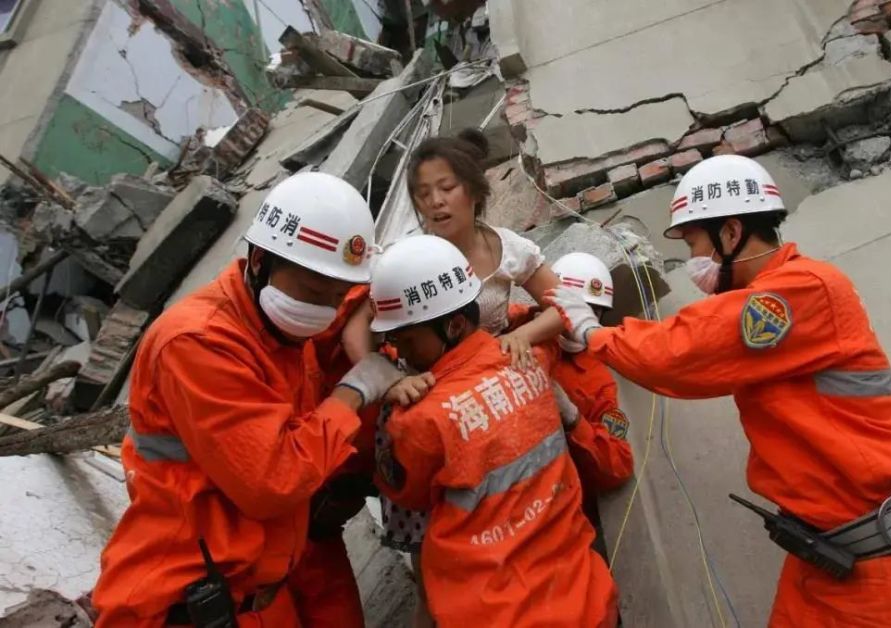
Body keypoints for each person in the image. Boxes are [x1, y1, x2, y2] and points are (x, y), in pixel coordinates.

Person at [546, 154, 891, 626]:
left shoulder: (802, 288)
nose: (693, 260)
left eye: (695, 241)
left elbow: (678, 352)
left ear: (730, 233)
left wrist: (591, 331)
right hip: (826, 563)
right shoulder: (783, 293)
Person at [92, 172, 406, 627]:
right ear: (259, 260)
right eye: (315, 294)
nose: (324, 311)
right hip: (186, 605)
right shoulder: (197, 343)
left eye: (336, 297)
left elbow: (354, 297)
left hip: (256, 582)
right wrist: (351, 393)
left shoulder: (283, 318)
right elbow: (272, 482)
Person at [369, 234, 618, 627]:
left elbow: (407, 493)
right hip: (586, 600)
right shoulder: (532, 356)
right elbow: (547, 317)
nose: (401, 353)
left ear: (452, 325)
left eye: (407, 339)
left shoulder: (418, 420)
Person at [508, 252, 634, 545]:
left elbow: (618, 463)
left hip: (561, 505)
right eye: (570, 309)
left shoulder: (597, 378)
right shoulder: (517, 325)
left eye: (592, 311)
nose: (577, 321)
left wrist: (572, 416)